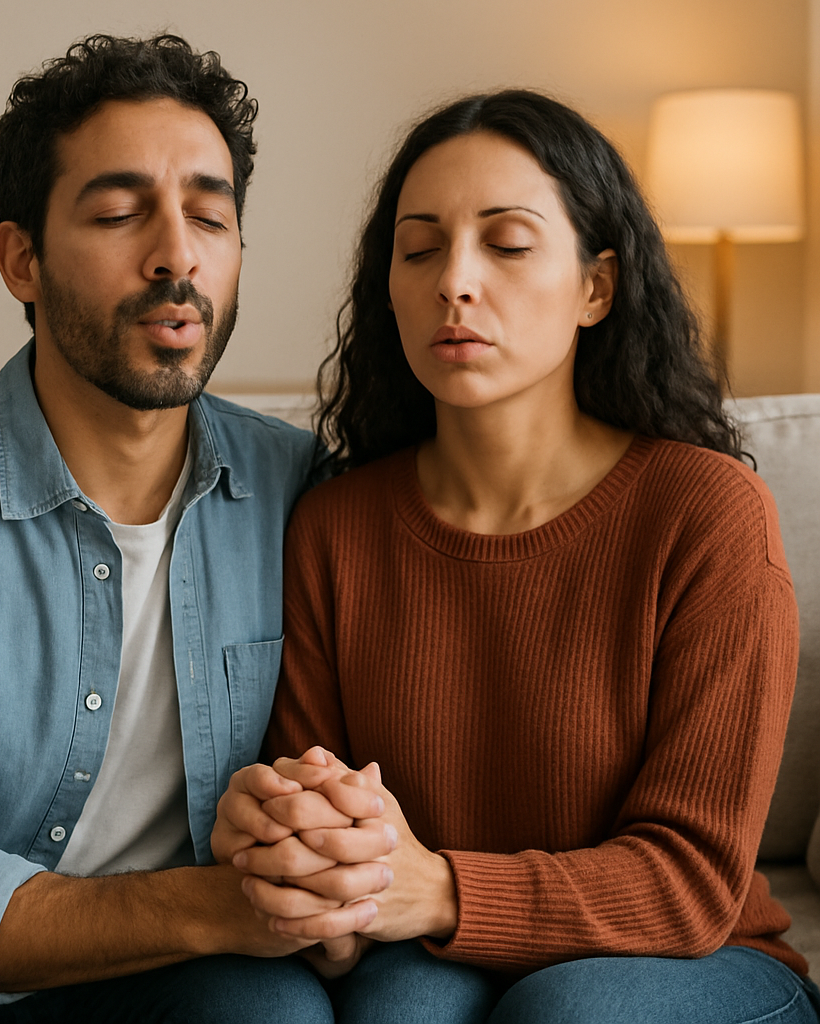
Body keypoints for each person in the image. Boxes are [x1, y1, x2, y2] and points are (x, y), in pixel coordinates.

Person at [0, 34, 384, 1024]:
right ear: (20, 258)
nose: (176, 255)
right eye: (118, 213)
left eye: (210, 216)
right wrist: (225, 903)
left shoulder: (304, 492)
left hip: (177, 967)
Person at [212, 90, 820, 1023]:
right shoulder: (335, 528)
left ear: (596, 287)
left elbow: (691, 884)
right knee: (396, 1010)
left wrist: (442, 890)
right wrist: (302, 867)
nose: (455, 279)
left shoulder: (707, 514)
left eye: (507, 242)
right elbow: (331, 856)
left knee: (569, 1013)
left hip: (699, 957)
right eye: (419, 249)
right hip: (423, 949)